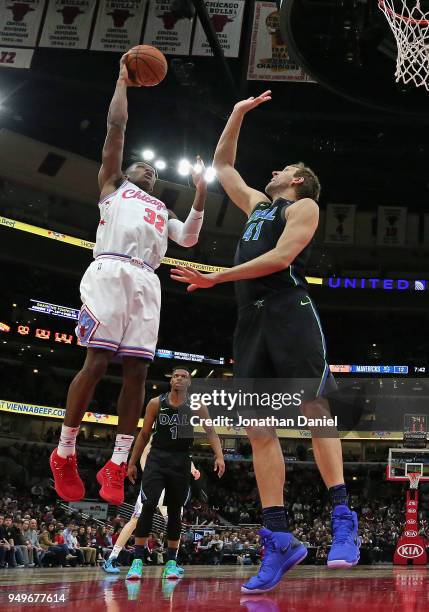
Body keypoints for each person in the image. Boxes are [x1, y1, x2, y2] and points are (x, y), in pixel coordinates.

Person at [171, 91, 360, 593]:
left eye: (284, 168)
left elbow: (279, 261)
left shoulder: (304, 208)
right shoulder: (257, 204)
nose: (273, 171)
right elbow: (223, 166)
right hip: (249, 319)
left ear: (296, 180)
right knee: (257, 429)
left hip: (287, 310)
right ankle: (279, 538)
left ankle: (343, 516)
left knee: (315, 407)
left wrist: (217, 276)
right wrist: (235, 113)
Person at [49, 53, 208, 506]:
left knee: (137, 372)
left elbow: (191, 239)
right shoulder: (114, 184)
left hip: (147, 282)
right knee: (96, 363)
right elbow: (116, 130)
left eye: (155, 173)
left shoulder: (163, 210)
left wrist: (199, 191)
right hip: (110, 270)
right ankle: (64, 451)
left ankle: (118, 462)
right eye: (146, 168)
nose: (151, 173)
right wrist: (122, 80)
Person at [125, 367, 225, 581]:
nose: (179, 378)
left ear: (189, 383)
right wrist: (132, 462)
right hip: (157, 459)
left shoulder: (197, 405)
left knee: (174, 511)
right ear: (171, 381)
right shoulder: (155, 403)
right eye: (176, 376)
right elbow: (143, 435)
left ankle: (171, 561)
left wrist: (219, 456)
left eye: (184, 376)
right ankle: (137, 561)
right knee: (148, 506)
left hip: (181, 460)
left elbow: (210, 432)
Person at [103, 437, 200, 574]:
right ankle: (112, 558)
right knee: (136, 520)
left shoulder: (179, 435)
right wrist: (149, 475)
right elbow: (144, 455)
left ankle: (172, 561)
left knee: (174, 521)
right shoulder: (156, 435)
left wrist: (193, 469)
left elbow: (184, 456)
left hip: (171, 484)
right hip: (155, 483)